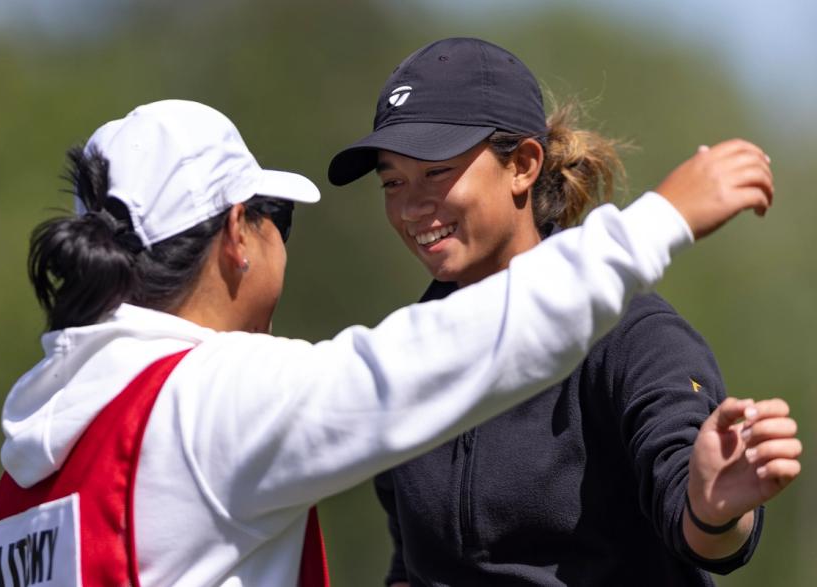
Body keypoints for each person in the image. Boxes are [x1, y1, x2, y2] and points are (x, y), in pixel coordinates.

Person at [0, 97, 768, 587]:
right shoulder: (206, 399)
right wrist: (658, 221)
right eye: (275, 218)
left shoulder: (41, 438)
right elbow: (431, 360)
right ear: (236, 237)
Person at [328, 38, 800, 586]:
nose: (411, 206)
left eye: (437, 172)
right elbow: (411, 566)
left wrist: (712, 508)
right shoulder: (401, 356)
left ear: (524, 165)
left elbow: (699, 517)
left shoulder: (633, 337)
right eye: (392, 182)